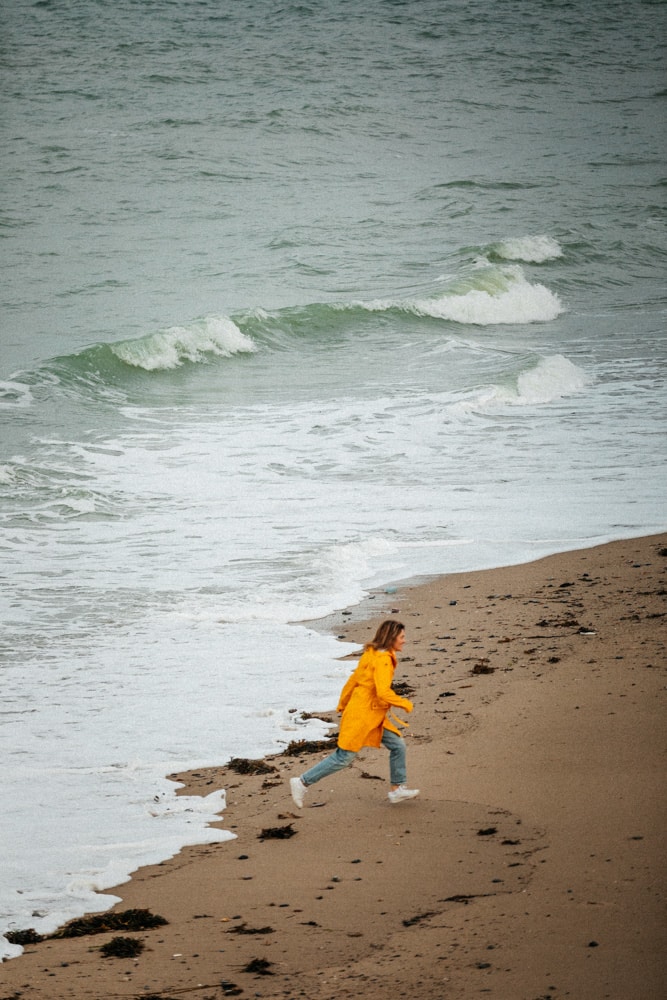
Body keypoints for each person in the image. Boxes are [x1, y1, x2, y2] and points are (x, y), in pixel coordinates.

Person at [290, 619, 419, 807]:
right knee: (344, 757)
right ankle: (302, 781)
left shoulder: (372, 653)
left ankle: (397, 789)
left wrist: (343, 703)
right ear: (391, 638)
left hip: (369, 714)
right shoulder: (382, 659)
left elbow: (354, 680)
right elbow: (383, 691)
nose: (404, 641)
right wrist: (404, 703)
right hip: (363, 716)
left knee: (397, 745)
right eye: (402, 637)